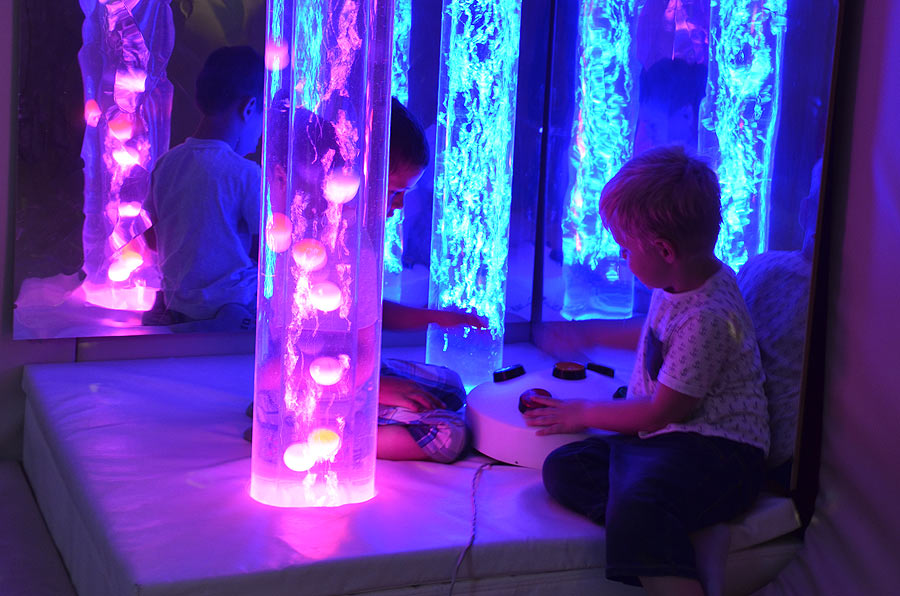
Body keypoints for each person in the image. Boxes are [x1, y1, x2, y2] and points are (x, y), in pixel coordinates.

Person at [525, 145, 769, 596]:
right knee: (564, 469)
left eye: (625, 249)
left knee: (637, 505)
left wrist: (580, 411)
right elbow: (654, 333)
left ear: (663, 249)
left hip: (719, 452)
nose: (622, 257)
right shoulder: (681, 279)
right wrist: (588, 334)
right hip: (667, 443)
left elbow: (660, 412)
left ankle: (671, 551)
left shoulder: (709, 317)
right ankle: (680, 524)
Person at [144, 46, 264, 329]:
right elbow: (270, 250)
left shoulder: (165, 165)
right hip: (234, 310)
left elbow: (151, 238)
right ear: (249, 108)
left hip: (178, 308)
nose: (262, 133)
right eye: (264, 117)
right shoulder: (246, 173)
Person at [736, 158, 821, 491]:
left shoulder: (761, 266)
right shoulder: (869, 301)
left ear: (805, 212)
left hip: (739, 446)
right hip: (781, 460)